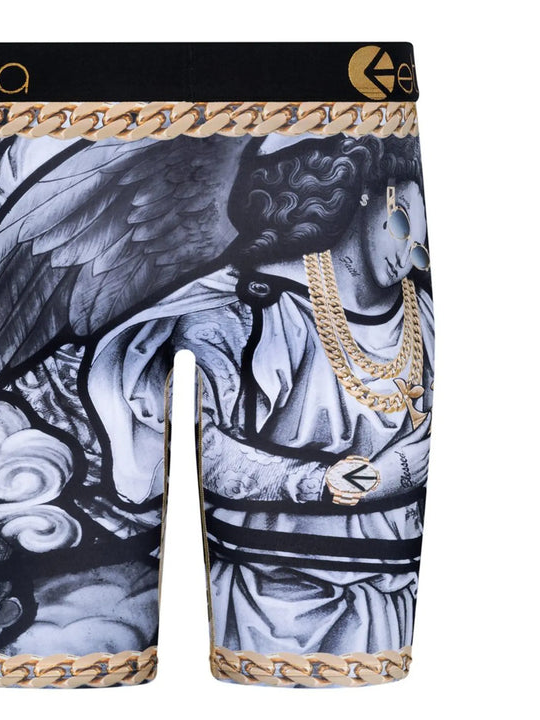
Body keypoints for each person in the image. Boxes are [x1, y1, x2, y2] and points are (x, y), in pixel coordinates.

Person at [86, 132, 434, 655]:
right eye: (402, 224)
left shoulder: (419, 314)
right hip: (271, 595)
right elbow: (209, 446)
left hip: (389, 590)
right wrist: (327, 483)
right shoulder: (253, 309)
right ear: (366, 191)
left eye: (421, 250)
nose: (406, 258)